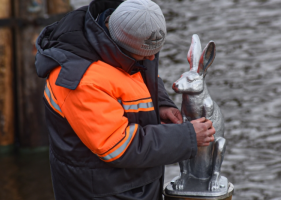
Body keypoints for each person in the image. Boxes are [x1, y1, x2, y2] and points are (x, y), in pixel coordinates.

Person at [35, 0, 215, 199]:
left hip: (132, 185)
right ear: (121, 45)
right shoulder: (81, 81)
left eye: (154, 53)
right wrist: (186, 137)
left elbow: (142, 76)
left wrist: (161, 104)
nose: (150, 59)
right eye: (143, 55)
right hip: (104, 192)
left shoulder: (130, 41)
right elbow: (118, 145)